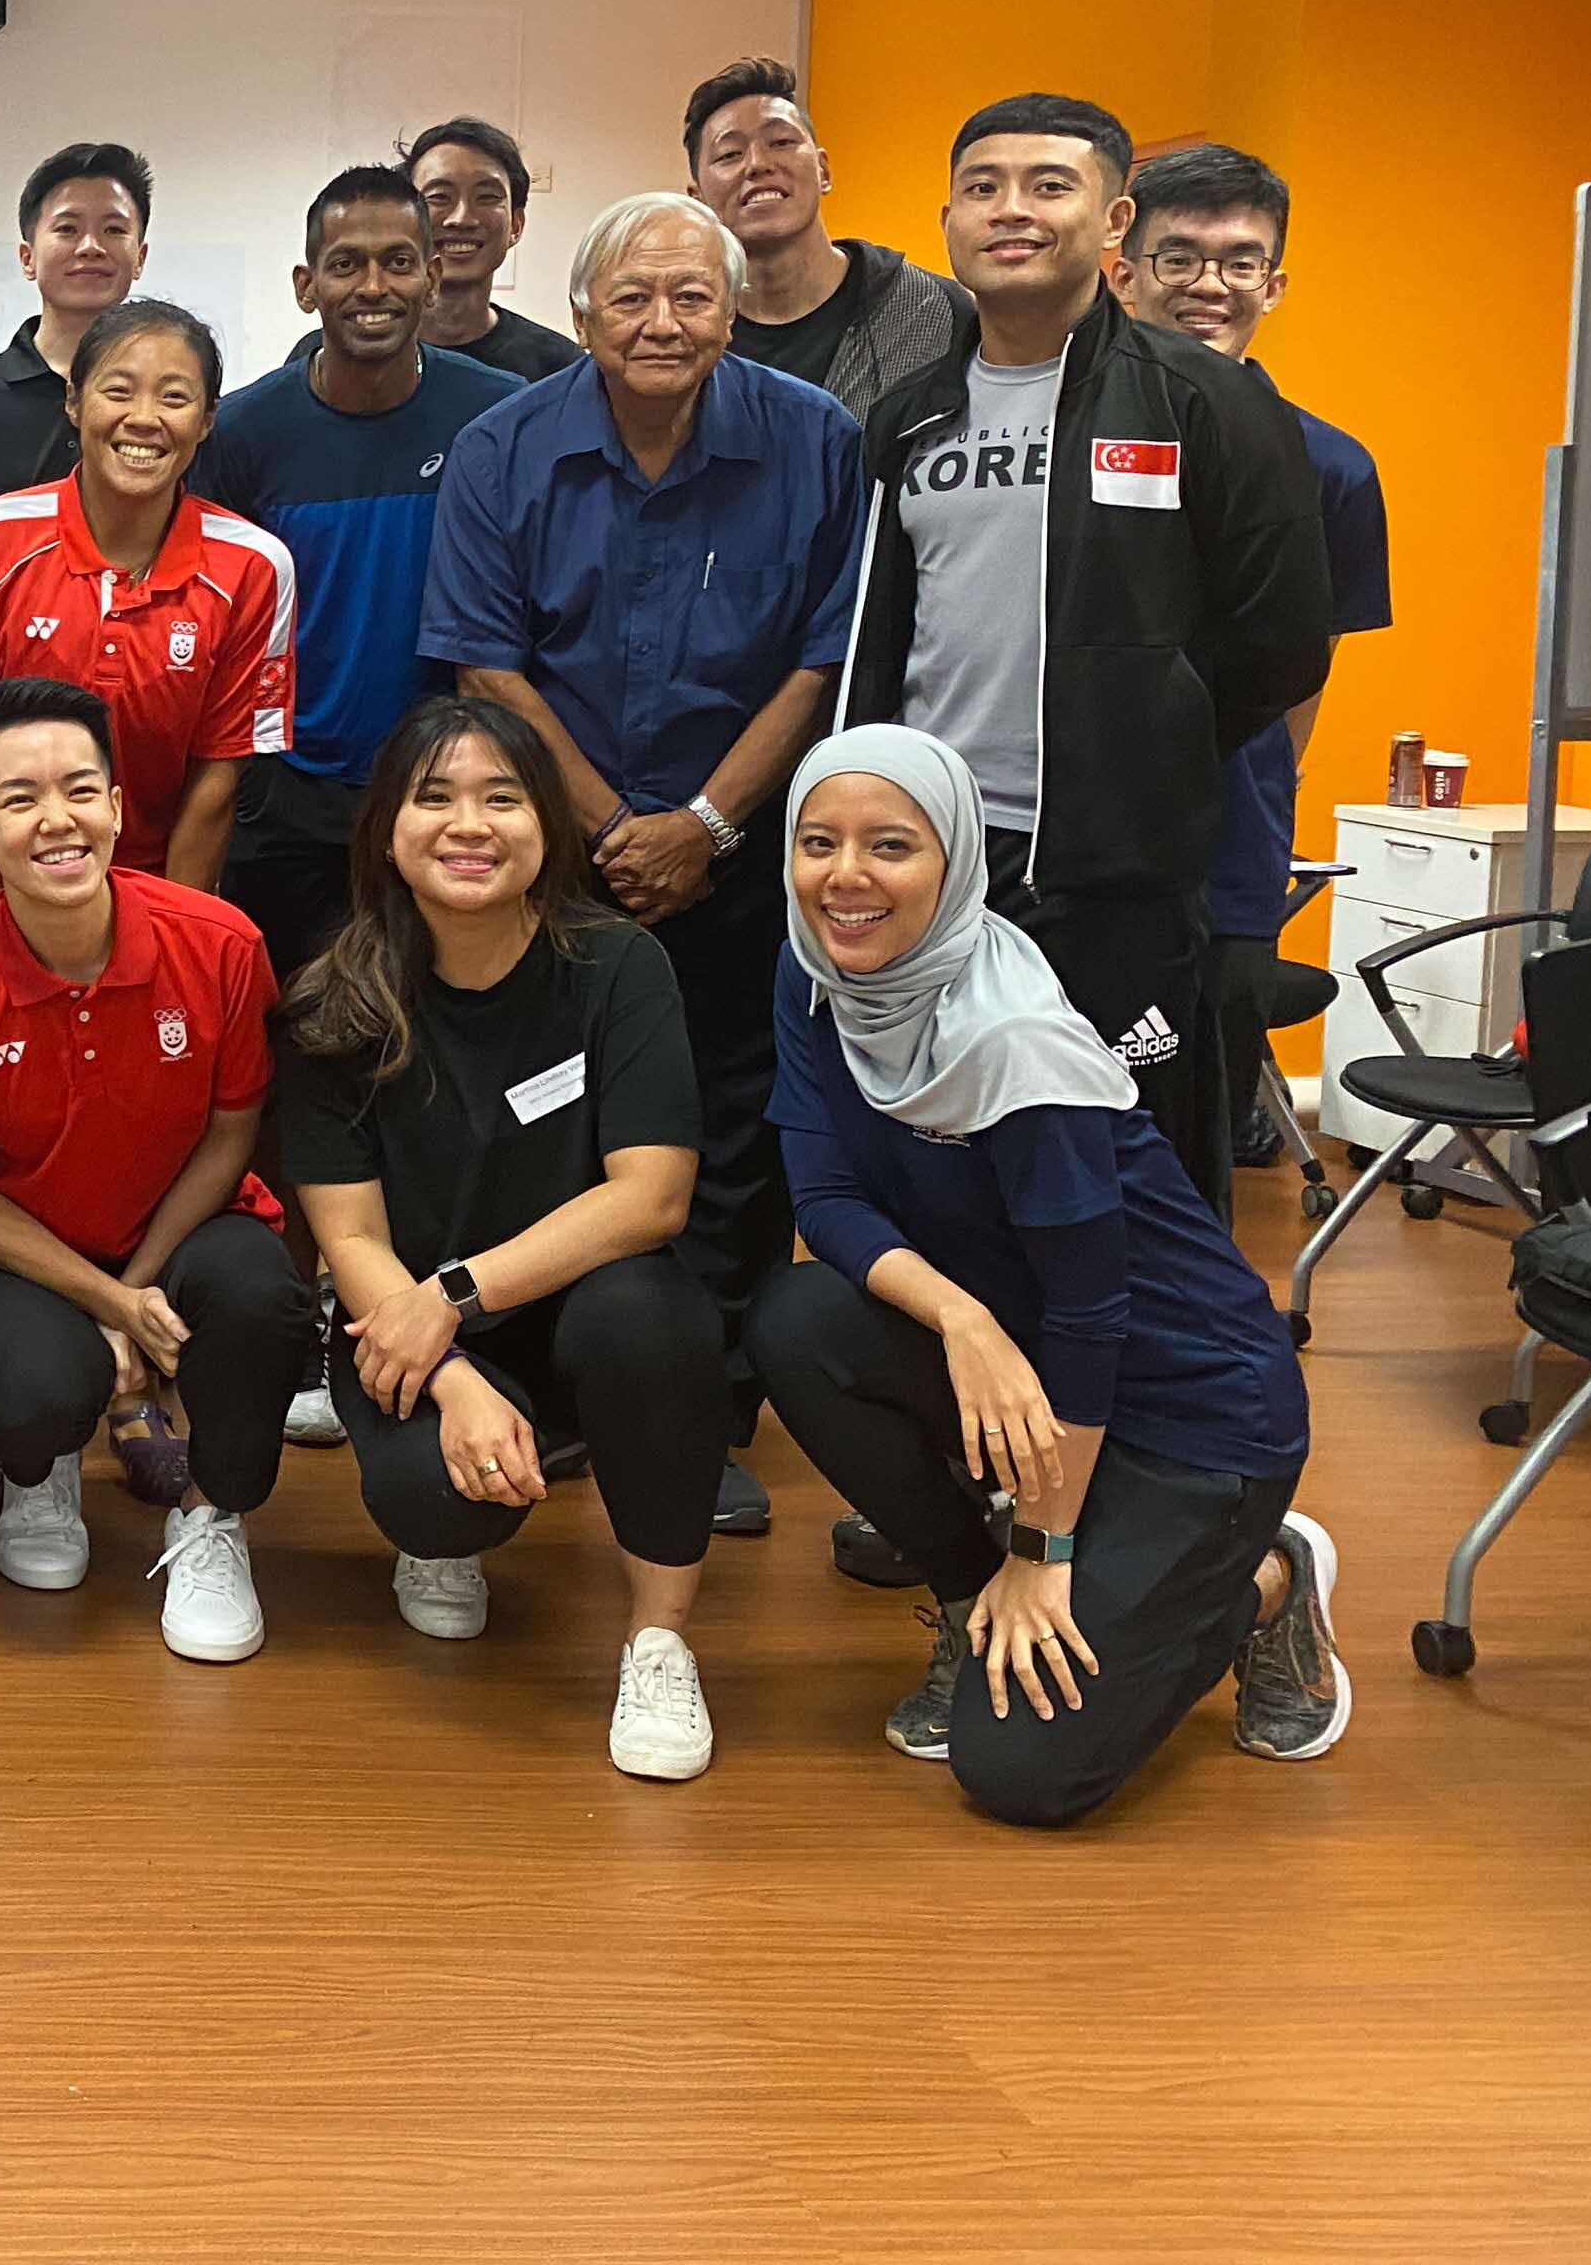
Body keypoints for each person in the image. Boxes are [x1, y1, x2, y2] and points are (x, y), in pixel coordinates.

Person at [750, 728, 1348, 1826]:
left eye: (891, 845)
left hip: (1188, 1412)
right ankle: (976, 1604)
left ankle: (1261, 1579)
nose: (846, 877)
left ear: (958, 861)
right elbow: (824, 1198)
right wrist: (962, 1317)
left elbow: (1092, 1311)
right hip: (1026, 1362)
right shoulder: (815, 972)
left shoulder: (1015, 1037)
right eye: (817, 842)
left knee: (1023, 1773)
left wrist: (1044, 1541)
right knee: (800, 1322)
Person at [419, 191, 860, 1540]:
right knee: (554, 1121)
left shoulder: (815, 439)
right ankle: (558, 1387)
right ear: (581, 314)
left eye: (692, 297)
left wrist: (709, 826)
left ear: (735, 311)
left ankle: (706, 1411)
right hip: (556, 855)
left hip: (745, 855)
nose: (663, 322)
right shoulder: (504, 446)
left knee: (733, 1128)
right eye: (634, 297)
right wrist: (613, 829)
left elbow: (824, 659)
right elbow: (489, 656)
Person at [841, 92, 1332, 1224]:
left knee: (1127, 1175)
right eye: (984, 187)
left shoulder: (1199, 402)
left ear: (1111, 221)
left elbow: (1282, 635)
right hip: (943, 862)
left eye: (1048, 187)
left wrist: (1151, 731)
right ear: (950, 217)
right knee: (947, 1158)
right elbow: (884, 628)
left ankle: (1144, 1397)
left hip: (1118, 876)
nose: (1012, 211)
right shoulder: (910, 417)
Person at [277, 697, 724, 1779]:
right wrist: (450, 1368)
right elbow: (351, 1238)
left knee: (655, 1321)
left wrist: (457, 1296)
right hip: (410, 1327)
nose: (468, 825)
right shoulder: (336, 1001)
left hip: (575, 1316)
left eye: (502, 799)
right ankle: (441, 1542)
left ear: (548, 828)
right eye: (434, 799)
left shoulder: (618, 969)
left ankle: (659, 1639)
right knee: (437, 1504)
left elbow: (652, 1196)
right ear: (387, 827)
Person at [0, 678, 313, 1660]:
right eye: (19, 799)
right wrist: (100, 1301)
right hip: (18, 1251)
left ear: (120, 808)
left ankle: (212, 1517)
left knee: (263, 1302)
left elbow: (233, 1130)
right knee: (30, 1385)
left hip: (184, 1228)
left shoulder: (220, 943)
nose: (58, 820)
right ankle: (40, 1477)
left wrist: (132, 1292)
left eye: (82, 790)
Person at [1105, 144, 1391, 1169]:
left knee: (1192, 1153)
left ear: (1275, 282)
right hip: (1050, 854)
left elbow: (1301, 677)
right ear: (1120, 266)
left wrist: (1254, 785)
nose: (1210, 286)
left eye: (1240, 261)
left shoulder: (1330, 468)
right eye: (1179, 258)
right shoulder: (1044, 434)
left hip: (1224, 856)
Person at [194, 162, 524, 976]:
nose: (373, 285)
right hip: (286, 799)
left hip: (446, 786)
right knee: (294, 1033)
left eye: (398, 261)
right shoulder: (242, 433)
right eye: (346, 264)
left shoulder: (500, 416)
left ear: (432, 274)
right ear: (307, 285)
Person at [0, 298, 292, 897]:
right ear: (74, 402)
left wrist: (173, 933)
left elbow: (217, 778)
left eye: (174, 397)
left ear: (209, 419)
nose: (143, 418)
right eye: (118, 390)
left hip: (149, 891)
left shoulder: (254, 568)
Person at [682, 55, 968, 417]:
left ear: (823, 170)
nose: (758, 164)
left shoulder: (930, 310)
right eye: (730, 154)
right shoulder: (682, 331)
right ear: (699, 201)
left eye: (781, 142)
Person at [0, 139, 153, 518]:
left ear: (139, 257)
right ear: (28, 258)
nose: (91, 246)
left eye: (113, 229)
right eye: (68, 228)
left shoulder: (167, 399)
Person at [408, 116, 583, 383]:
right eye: (439, 197)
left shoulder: (559, 369)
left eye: (487, 197)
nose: (461, 218)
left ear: (516, 224)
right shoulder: (343, 355)